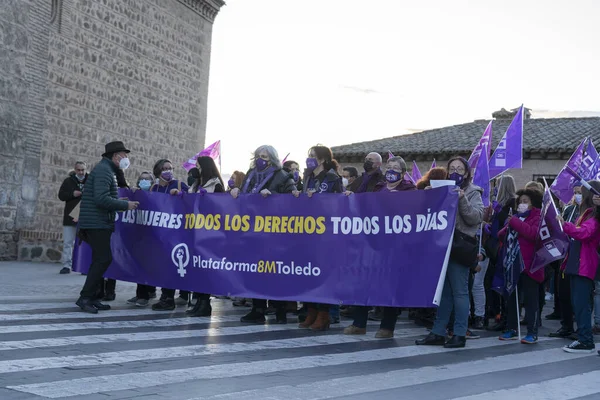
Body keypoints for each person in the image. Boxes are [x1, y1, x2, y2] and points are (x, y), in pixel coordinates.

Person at [344, 156, 415, 338]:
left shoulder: (410, 190)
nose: (391, 170)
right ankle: (359, 323)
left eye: (396, 168)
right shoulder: (378, 188)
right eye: (389, 166)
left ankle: (387, 327)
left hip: (395, 246)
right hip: (373, 244)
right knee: (364, 282)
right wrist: (353, 199)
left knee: (390, 286)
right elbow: (365, 208)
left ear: (403, 173)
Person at [416, 156, 483, 348]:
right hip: (441, 245)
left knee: (460, 292)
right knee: (444, 293)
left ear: (467, 173)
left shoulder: (473, 192)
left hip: (459, 246)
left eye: (460, 169)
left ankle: (459, 333)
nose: (455, 172)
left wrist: (461, 199)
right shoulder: (442, 188)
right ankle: (438, 331)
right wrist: (428, 196)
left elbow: (475, 218)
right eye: (452, 168)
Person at [230, 145, 296, 323]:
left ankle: (280, 310)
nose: (261, 159)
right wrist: (236, 191)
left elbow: (293, 198)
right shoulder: (251, 173)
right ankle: (258, 308)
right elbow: (244, 194)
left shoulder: (282, 175)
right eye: (259, 155)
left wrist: (274, 195)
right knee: (254, 272)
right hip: (251, 230)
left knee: (274, 273)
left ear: (272, 158)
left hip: (273, 232)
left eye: (265, 156)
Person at [75, 141, 139, 314]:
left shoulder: (107, 169)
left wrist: (120, 202)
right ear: (115, 156)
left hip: (98, 221)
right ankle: (85, 297)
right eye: (124, 155)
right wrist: (126, 206)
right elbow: (101, 199)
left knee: (99, 259)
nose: (126, 158)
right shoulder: (104, 171)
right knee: (103, 259)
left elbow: (104, 197)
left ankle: (94, 297)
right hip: (97, 223)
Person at [292, 146, 343, 331]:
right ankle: (311, 310)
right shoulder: (307, 177)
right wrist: (298, 195)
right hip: (308, 232)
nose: (309, 159)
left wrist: (319, 198)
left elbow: (338, 204)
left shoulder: (332, 178)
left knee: (323, 275)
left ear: (322, 160)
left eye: (313, 156)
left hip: (325, 234)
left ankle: (324, 314)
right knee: (309, 273)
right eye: (309, 156)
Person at [558, 180, 600, 353]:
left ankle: (585, 339)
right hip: (578, 263)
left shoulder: (594, 216)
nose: (578, 196)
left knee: (582, 304)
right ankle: (584, 337)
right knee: (578, 303)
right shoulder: (588, 213)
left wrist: (564, 224)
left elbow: (584, 233)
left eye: (581, 192)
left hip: (585, 264)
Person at [498, 189, 543, 344]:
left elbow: (533, 234)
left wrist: (515, 223)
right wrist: (508, 224)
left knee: (531, 300)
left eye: (526, 201)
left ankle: (532, 331)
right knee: (512, 298)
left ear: (533, 203)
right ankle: (512, 328)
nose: (522, 204)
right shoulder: (516, 217)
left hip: (530, 266)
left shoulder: (538, 217)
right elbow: (501, 235)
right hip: (513, 264)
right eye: (520, 202)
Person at [186, 156, 225, 317]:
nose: (197, 169)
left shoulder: (215, 184)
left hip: (209, 233)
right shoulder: (196, 184)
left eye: (199, 167)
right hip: (195, 231)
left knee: (206, 269)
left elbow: (220, 207)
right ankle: (199, 302)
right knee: (197, 269)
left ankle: (205, 303)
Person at [150, 159, 190, 311]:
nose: (168, 171)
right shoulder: (154, 188)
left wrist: (181, 194)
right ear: (158, 172)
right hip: (159, 233)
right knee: (162, 266)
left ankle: (167, 298)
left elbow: (192, 200)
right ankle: (165, 296)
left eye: (170, 168)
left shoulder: (179, 185)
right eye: (165, 168)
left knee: (171, 266)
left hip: (176, 234)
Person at [548, 185, 581, 338]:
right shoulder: (569, 210)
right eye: (575, 192)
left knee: (580, 296)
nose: (577, 195)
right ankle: (566, 325)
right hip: (565, 255)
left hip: (581, 257)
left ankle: (581, 329)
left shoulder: (590, 213)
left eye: (580, 192)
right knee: (564, 293)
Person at [126, 171, 157, 307]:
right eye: (142, 179)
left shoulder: (156, 194)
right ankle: (142, 293)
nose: (144, 181)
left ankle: (145, 294)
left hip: (152, 235)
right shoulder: (137, 193)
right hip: (139, 234)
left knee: (147, 265)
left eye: (147, 179)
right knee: (140, 265)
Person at [58, 161, 88, 274]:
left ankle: (84, 266)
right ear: (75, 170)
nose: (81, 172)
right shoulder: (68, 181)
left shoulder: (90, 181)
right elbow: (61, 195)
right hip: (70, 216)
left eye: (83, 170)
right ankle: (66, 265)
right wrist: (72, 194)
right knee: (68, 242)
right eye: (79, 170)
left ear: (86, 170)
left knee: (84, 243)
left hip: (86, 216)